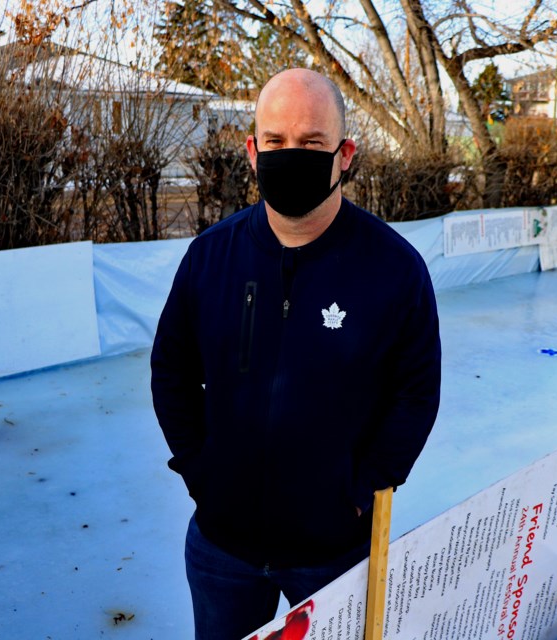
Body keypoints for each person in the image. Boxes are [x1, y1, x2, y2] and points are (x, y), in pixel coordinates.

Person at [150, 68, 441, 640]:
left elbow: (415, 395)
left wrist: (360, 494)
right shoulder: (210, 258)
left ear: (345, 155)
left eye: (311, 143)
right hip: (222, 550)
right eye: (277, 142)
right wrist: (200, 473)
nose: (292, 155)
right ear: (253, 152)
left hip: (337, 553)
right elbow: (171, 372)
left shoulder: (394, 270)